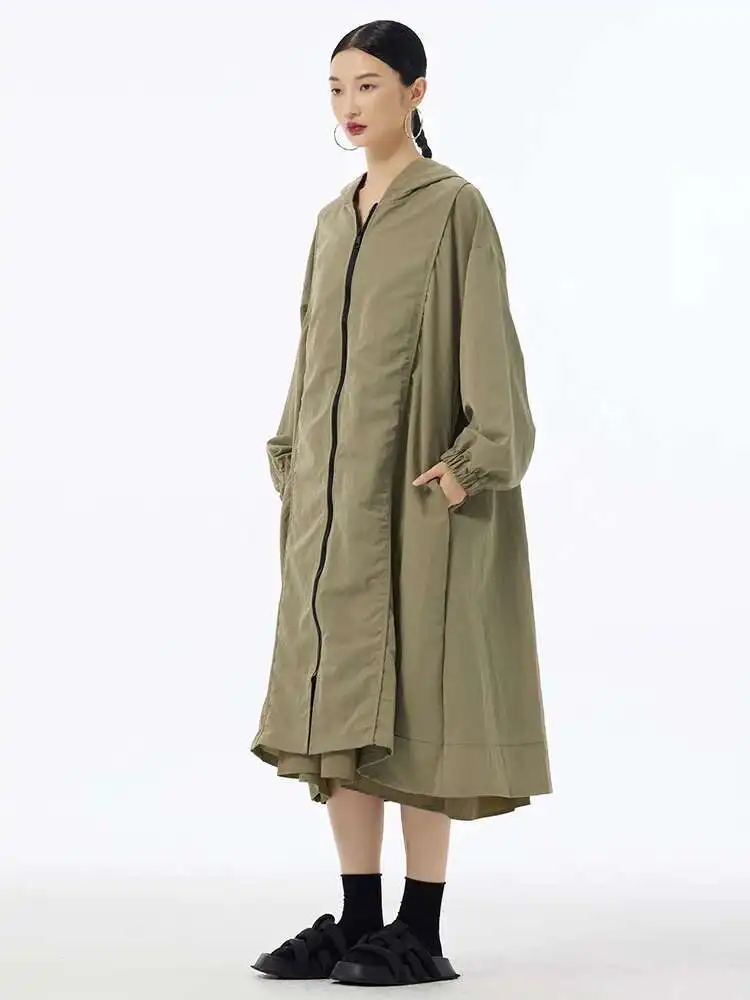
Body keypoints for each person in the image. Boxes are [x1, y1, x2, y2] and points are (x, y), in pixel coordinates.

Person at [250, 19, 553, 988]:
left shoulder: (454, 207)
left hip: (421, 500)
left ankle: (420, 929)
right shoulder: (333, 219)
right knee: (338, 710)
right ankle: (357, 918)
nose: (349, 105)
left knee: (421, 702)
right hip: (332, 504)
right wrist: (294, 455)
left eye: (370, 84)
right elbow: (311, 351)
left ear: (416, 93)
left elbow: (492, 346)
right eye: (336, 87)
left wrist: (474, 462)